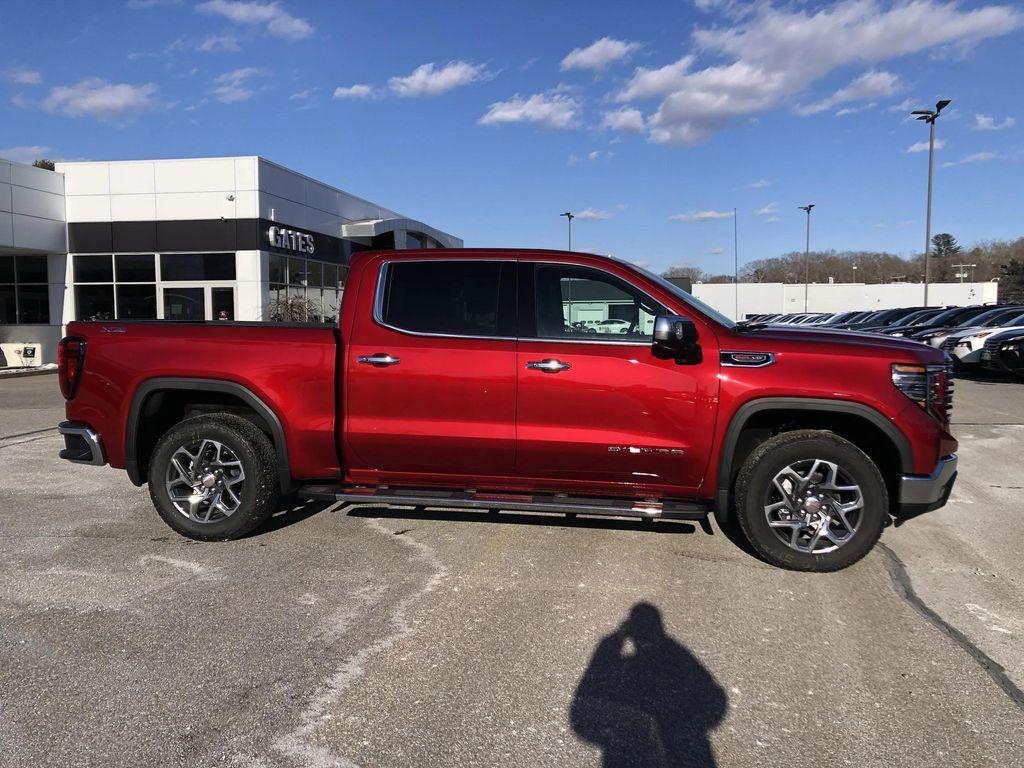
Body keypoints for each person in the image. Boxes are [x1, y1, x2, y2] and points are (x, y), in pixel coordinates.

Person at [571, 602, 727, 767]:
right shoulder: (678, 668)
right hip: (679, 746)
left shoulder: (624, 673)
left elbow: (590, 688)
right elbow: (712, 694)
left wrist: (614, 640)